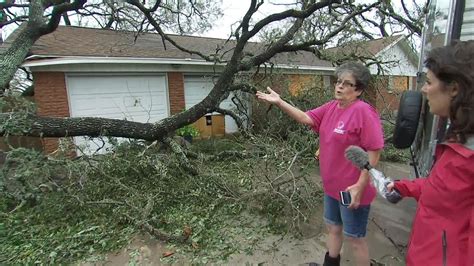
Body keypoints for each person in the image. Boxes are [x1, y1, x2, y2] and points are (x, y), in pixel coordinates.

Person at [256, 62, 384, 266]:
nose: (339, 86)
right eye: (338, 81)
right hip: (332, 188)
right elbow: (306, 118)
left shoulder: (363, 112)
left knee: (355, 238)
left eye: (347, 83)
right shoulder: (332, 107)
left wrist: (360, 186)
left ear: (358, 90)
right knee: (333, 228)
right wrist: (280, 102)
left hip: (352, 190)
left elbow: (374, 152)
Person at [387, 40, 474, 266]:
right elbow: (443, 188)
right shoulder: (457, 141)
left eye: (428, 82)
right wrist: (403, 187)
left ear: (454, 88)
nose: (424, 89)